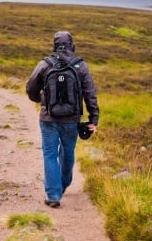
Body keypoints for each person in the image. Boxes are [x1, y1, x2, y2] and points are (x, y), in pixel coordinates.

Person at [26, 31, 99, 208]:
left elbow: (30, 87)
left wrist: (40, 101)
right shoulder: (80, 66)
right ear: (72, 44)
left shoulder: (45, 64)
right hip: (71, 120)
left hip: (48, 119)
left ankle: (53, 195)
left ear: (54, 44)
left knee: (49, 154)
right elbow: (90, 94)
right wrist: (93, 119)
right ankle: (63, 184)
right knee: (68, 152)